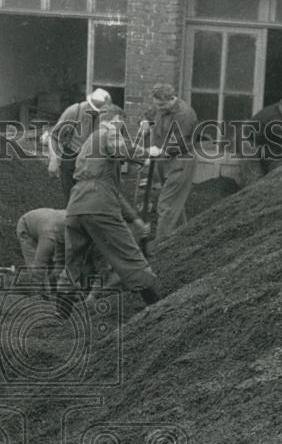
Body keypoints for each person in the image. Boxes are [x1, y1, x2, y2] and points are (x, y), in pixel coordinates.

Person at [57, 107, 161, 312]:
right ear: (116, 120)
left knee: (72, 263)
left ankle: (60, 314)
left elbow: (106, 187)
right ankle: (157, 305)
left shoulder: (88, 144)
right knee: (128, 253)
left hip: (76, 206)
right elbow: (120, 150)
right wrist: (148, 153)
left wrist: (134, 219)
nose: (122, 131)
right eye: (122, 125)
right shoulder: (109, 131)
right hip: (100, 206)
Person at [140, 83, 198, 241]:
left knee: (166, 205)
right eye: (157, 104)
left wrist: (156, 154)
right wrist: (145, 122)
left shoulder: (184, 115)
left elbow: (176, 143)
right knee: (175, 202)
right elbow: (150, 113)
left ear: (172, 99)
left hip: (180, 161)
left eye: (162, 105)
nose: (158, 108)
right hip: (165, 161)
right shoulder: (161, 107)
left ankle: (161, 248)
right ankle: (183, 239)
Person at [48, 89, 112, 202]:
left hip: (93, 161)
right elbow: (54, 136)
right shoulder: (75, 111)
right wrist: (53, 159)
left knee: (91, 200)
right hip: (72, 156)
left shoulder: (108, 117)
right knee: (72, 200)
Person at [16, 207, 66, 296]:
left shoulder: (75, 222)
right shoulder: (49, 236)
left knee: (55, 264)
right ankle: (38, 293)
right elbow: (39, 264)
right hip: (27, 228)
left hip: (45, 223)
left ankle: (54, 290)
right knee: (35, 263)